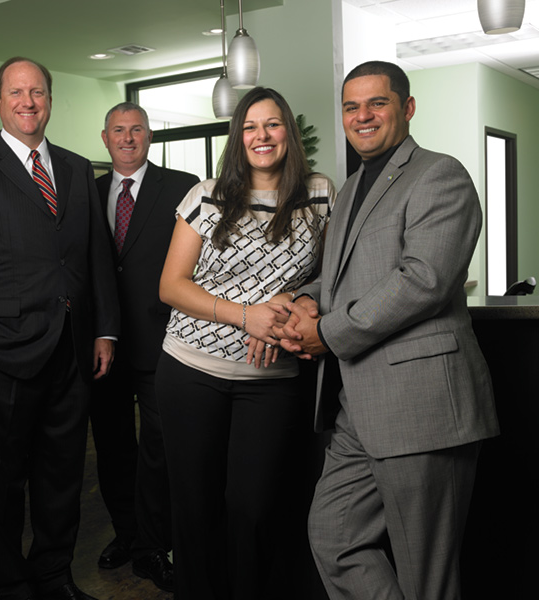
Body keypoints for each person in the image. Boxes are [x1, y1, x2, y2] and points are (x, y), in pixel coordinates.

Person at [275, 60, 500, 600]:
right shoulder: (352, 187)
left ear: (407, 108)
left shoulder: (440, 174)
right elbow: (342, 276)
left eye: (378, 103)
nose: (363, 116)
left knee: (427, 574)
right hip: (357, 406)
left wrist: (327, 333)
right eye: (352, 106)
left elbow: (422, 279)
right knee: (333, 535)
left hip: (420, 406)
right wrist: (300, 302)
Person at [0, 57, 119, 600]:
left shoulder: (80, 168)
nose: (28, 102)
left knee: (62, 476)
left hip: (72, 346)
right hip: (1, 351)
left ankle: (54, 576)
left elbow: (94, 257)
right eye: (16, 93)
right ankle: (12, 584)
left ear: (50, 100)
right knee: (5, 479)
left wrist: (104, 329)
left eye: (37, 92)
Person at [156, 86, 335, 599]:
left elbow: (331, 276)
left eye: (273, 124)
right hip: (191, 372)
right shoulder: (206, 194)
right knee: (196, 508)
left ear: (289, 133)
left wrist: (299, 299)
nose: (262, 136)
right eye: (251, 127)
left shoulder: (321, 193)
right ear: (238, 137)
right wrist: (246, 317)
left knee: (255, 508)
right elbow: (171, 285)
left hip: (273, 382)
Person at [90, 102, 198, 591]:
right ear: (105, 138)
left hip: (164, 341)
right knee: (113, 448)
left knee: (160, 449)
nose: (127, 138)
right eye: (118, 130)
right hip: (103, 345)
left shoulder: (182, 186)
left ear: (150, 136)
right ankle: (128, 535)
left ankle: (156, 545)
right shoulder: (85, 192)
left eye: (136, 130)